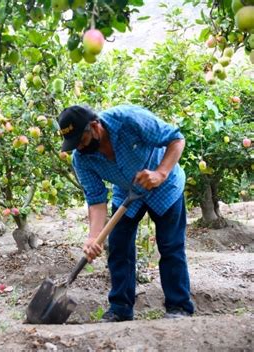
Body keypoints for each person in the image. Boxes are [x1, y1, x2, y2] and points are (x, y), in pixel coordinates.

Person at [57, 104, 195, 322]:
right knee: (119, 248)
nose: (79, 148)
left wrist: (161, 173)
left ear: (94, 126)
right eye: (74, 145)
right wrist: (93, 238)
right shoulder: (81, 158)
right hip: (128, 193)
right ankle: (120, 309)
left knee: (170, 246)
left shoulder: (129, 119)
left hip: (165, 188)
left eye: (81, 141)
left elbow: (177, 139)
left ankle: (179, 307)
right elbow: (96, 199)